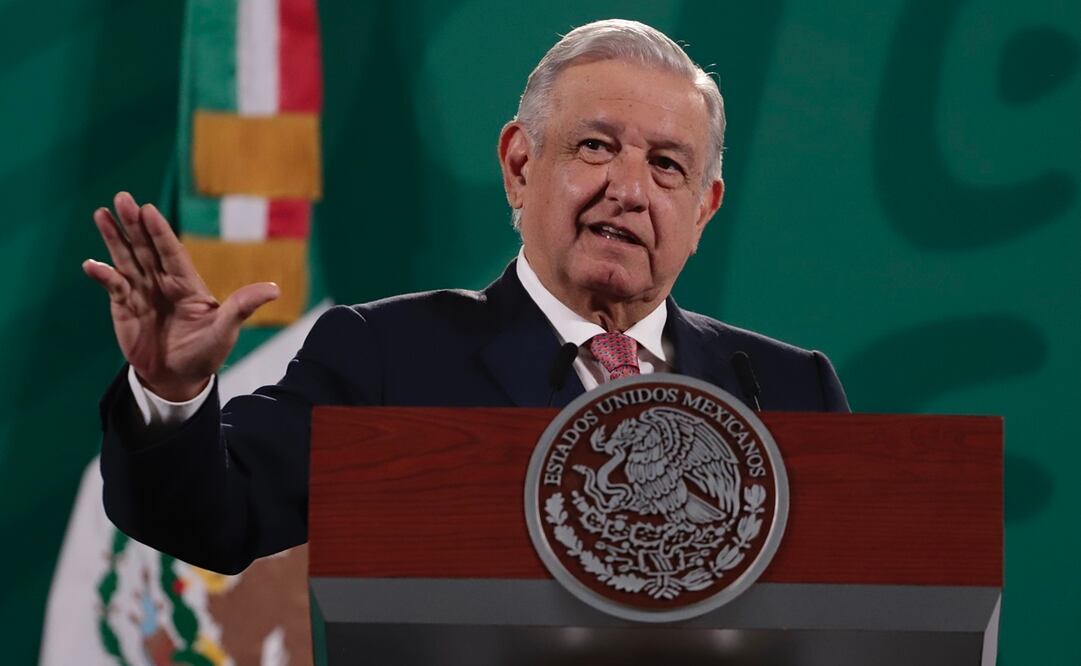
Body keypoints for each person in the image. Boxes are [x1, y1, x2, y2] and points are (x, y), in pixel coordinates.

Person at [84, 19, 848, 574]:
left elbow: (861, 601)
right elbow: (216, 518)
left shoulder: (787, 389)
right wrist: (172, 393)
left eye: (666, 166)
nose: (628, 189)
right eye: (595, 146)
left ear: (704, 208)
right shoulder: (384, 356)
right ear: (519, 164)